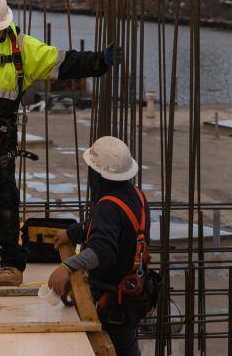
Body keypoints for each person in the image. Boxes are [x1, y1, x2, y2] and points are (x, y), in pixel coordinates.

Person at [0, 0, 116, 287]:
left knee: (5, 203)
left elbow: (62, 62)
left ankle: (10, 262)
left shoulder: (23, 50)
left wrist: (100, 61)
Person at [49, 136, 148, 356]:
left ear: (99, 175)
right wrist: (72, 232)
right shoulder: (135, 195)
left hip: (114, 301)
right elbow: (109, 228)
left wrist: (67, 267)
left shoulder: (108, 206)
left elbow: (102, 251)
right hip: (132, 293)